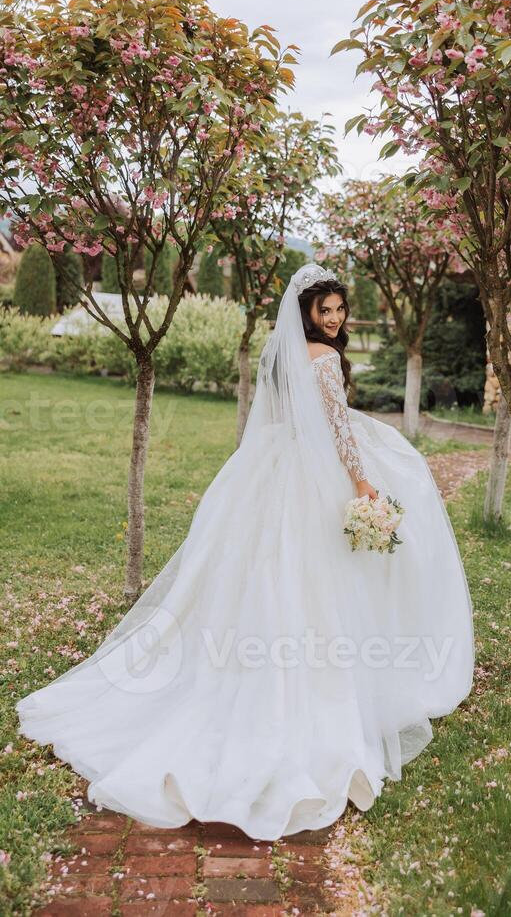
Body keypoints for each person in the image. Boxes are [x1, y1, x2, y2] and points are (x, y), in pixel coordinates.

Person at [15, 262, 475, 840]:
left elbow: (288, 417)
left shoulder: (281, 354)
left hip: (266, 471)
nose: (333, 321)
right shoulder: (326, 360)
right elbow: (338, 430)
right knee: (314, 582)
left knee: (255, 574)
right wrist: (362, 485)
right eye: (323, 311)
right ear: (306, 312)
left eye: (338, 311)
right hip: (313, 475)